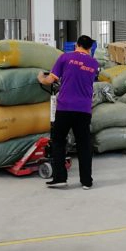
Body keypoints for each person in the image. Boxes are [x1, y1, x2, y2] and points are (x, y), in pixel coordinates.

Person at [37, 35, 99, 190]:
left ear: (76, 45)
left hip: (65, 107)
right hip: (84, 109)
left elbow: (50, 80)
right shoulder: (94, 63)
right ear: (90, 48)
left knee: (58, 141)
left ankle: (60, 178)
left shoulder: (65, 58)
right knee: (84, 145)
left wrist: (41, 78)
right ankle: (86, 181)